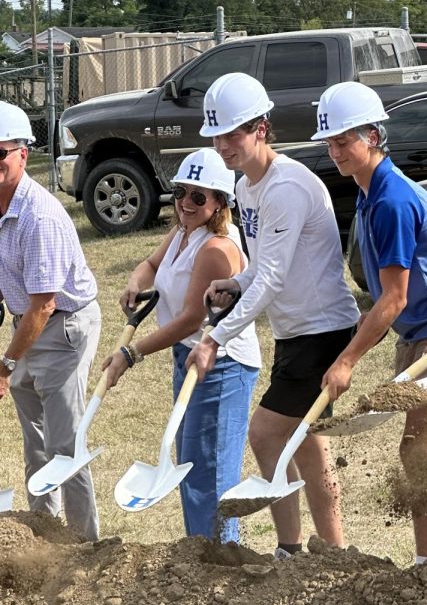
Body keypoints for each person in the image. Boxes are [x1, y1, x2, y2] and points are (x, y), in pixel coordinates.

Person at [185, 73, 359, 559]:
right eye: (216, 136)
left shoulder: (287, 187)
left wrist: (216, 338)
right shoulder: (245, 187)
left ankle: (291, 548)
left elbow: (274, 279)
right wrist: (234, 284)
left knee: (266, 433)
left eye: (233, 134)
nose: (223, 146)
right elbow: (261, 267)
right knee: (304, 444)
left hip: (322, 328)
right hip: (296, 329)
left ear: (261, 128)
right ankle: (333, 550)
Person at [312, 81, 427, 564]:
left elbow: (395, 298)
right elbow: (392, 300)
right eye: (330, 142)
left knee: (419, 455)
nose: (336, 151)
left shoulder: (389, 200)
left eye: (345, 141)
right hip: (422, 331)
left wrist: (347, 361)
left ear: (374, 136)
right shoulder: (371, 192)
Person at [102, 149, 260, 543]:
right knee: (190, 466)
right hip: (188, 357)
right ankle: (199, 556)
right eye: (180, 193)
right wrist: (136, 281)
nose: (186, 203)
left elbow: (192, 318)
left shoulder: (216, 249)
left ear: (220, 202)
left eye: (198, 196)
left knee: (210, 473)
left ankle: (222, 559)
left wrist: (131, 353)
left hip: (219, 365)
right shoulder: (183, 231)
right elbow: (152, 264)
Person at [0, 100, 102, 541]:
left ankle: (86, 548)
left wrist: (5, 366)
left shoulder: (39, 215)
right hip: (26, 325)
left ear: (23, 153)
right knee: (36, 443)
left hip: (62, 327)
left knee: (63, 443)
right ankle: (45, 537)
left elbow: (45, 304)